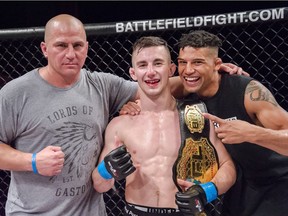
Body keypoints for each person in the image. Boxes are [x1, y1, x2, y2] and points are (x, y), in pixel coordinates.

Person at [120, 30, 288, 216]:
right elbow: (149, 88)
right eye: (184, 62)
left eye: (198, 62)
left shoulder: (248, 92)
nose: (189, 70)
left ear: (217, 64)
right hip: (239, 186)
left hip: (276, 183)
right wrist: (131, 106)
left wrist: (251, 133)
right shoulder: (186, 87)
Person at [0, 14, 139, 216]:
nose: (71, 54)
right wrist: (32, 161)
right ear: (44, 49)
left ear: (87, 48)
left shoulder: (102, 85)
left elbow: (157, 90)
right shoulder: (16, 93)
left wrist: (139, 104)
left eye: (77, 45)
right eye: (61, 46)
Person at [92, 36, 236, 216]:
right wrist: (107, 170)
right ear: (133, 73)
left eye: (158, 63)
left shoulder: (197, 117)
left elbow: (228, 166)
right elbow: (99, 184)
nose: (150, 72)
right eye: (143, 65)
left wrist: (206, 191)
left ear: (171, 69)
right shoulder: (120, 124)